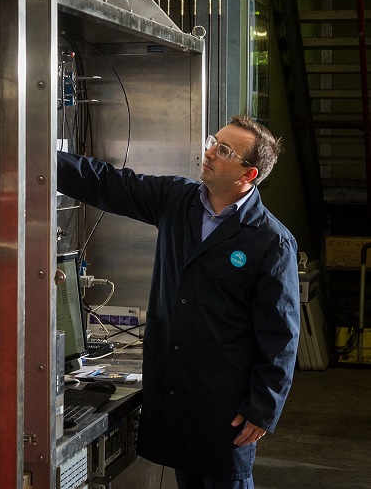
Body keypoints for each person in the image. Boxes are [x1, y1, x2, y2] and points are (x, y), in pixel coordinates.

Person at [57, 115, 300, 488]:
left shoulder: (269, 240)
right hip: (175, 389)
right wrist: (39, 158)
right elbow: (108, 183)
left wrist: (262, 409)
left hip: (226, 404)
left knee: (224, 479)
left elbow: (281, 335)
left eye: (223, 150)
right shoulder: (176, 199)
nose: (209, 153)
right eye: (211, 142)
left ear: (247, 174)